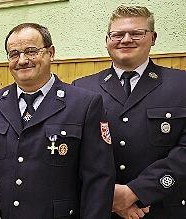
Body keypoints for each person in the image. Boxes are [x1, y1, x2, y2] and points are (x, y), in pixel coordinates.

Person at [0, 23, 114, 219]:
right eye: (13, 54)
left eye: (31, 51)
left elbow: (98, 180)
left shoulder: (84, 104)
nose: (22, 60)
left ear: (50, 53)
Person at [72, 5, 186, 219]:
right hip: (102, 210)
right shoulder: (81, 88)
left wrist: (136, 192)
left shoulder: (182, 85)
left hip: (163, 208)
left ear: (153, 37)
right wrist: (110, 197)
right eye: (117, 34)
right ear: (107, 40)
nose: (125, 40)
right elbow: (76, 154)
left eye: (136, 33)